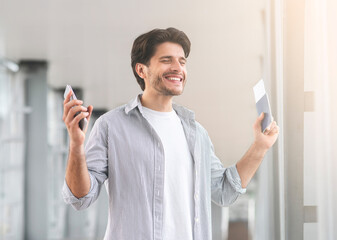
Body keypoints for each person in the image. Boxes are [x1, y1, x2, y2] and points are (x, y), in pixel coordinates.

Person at [62, 27, 279, 240]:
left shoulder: (197, 134)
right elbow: (81, 198)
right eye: (166, 60)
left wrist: (260, 146)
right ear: (141, 70)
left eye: (182, 62)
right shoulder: (112, 126)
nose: (177, 68)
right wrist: (76, 145)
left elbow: (224, 191)